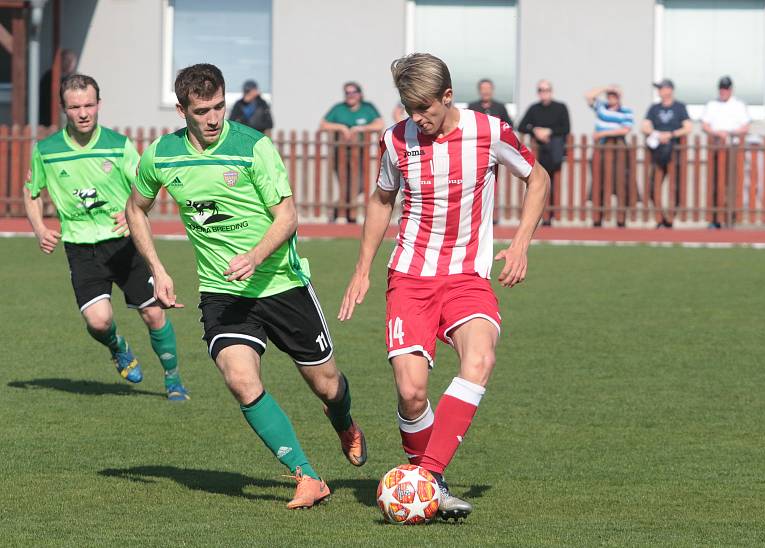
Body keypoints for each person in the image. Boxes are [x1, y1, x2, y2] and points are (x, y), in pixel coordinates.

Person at [126, 64, 366, 509]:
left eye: (219, 106)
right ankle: (307, 477)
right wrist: (157, 268)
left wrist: (255, 256)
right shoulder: (161, 155)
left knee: (327, 384)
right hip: (223, 293)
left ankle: (344, 421)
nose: (215, 118)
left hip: (281, 283)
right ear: (182, 110)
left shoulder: (254, 146)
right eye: (202, 111)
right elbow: (135, 208)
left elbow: (288, 216)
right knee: (239, 380)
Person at [338, 53, 549, 521]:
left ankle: (428, 478)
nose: (417, 119)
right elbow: (381, 200)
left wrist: (520, 246)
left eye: (425, 109)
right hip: (410, 277)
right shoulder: (395, 139)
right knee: (412, 392)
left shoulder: (490, 132)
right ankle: (430, 483)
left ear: (448, 97)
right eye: (409, 109)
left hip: (467, 278)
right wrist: (362, 268)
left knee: (481, 359)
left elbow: (539, 179)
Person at [23, 74, 189, 401]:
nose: (83, 113)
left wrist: (132, 211)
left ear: (99, 104)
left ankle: (173, 380)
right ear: (63, 109)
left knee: (155, 313)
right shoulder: (47, 150)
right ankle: (118, 347)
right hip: (81, 248)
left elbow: (148, 184)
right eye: (75, 107)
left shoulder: (118, 145)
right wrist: (40, 227)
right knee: (99, 323)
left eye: (88, 105)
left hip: (125, 243)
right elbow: (31, 193)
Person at [319, 82, 384, 223]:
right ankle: (345, 214)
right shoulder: (339, 108)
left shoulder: (368, 108)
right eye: (347, 93)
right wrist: (342, 127)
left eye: (353, 92)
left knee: (359, 183)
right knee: (344, 183)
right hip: (340, 153)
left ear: (359, 94)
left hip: (361, 153)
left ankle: (339, 210)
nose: (350, 95)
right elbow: (323, 125)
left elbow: (379, 124)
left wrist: (358, 129)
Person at [518, 79, 571, 225]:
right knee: (538, 184)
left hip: (555, 153)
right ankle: (540, 217)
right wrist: (535, 130)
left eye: (546, 90)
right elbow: (521, 126)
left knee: (554, 184)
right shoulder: (534, 108)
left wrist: (549, 132)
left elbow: (566, 128)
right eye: (541, 90)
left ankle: (553, 215)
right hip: (538, 153)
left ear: (551, 91)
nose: (543, 93)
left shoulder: (560, 108)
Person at [641, 78, 692, 228]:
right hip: (658, 153)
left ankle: (670, 218)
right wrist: (657, 134)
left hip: (674, 151)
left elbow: (688, 127)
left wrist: (670, 134)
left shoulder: (679, 107)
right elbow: (645, 126)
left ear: (669, 90)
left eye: (662, 88)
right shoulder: (654, 108)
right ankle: (659, 218)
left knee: (674, 187)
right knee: (654, 186)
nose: (660, 91)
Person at [701, 76, 750, 228]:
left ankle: (731, 217)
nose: (724, 91)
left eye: (726, 88)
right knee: (716, 183)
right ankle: (715, 218)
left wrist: (730, 133)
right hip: (716, 148)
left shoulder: (738, 105)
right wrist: (717, 133)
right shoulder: (712, 104)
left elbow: (745, 126)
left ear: (731, 89)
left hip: (733, 149)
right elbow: (705, 125)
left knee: (731, 184)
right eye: (721, 88)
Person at [585, 85, 634, 227]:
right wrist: (605, 88)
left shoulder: (626, 111)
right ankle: (597, 217)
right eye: (610, 95)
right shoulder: (601, 107)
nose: (612, 97)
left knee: (620, 183)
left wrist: (603, 133)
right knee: (598, 182)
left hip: (618, 149)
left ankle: (620, 219)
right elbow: (588, 96)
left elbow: (625, 129)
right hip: (600, 148)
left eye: (615, 95)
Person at [39, 49, 78, 127]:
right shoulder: (50, 77)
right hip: (49, 119)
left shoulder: (75, 78)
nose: (70, 64)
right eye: (67, 60)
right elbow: (46, 98)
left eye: (72, 61)